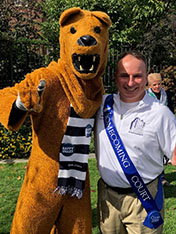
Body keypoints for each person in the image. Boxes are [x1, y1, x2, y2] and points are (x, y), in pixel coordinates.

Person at [95, 51, 176, 234]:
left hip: (144, 200)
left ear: (146, 79)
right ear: (116, 77)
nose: (130, 83)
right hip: (108, 200)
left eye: (137, 76)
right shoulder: (101, 105)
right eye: (124, 75)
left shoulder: (160, 114)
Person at [147, 73, 175, 186]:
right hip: (150, 128)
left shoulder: (166, 94)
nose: (157, 87)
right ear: (149, 86)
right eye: (154, 85)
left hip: (163, 128)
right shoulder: (145, 96)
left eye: (159, 84)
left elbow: (170, 110)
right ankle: (151, 177)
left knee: (161, 153)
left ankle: (162, 178)